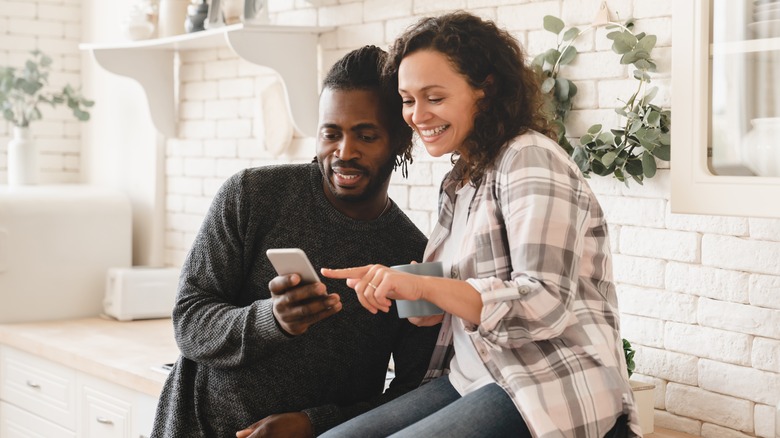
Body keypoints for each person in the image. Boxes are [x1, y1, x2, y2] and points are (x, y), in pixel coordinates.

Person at [322, 12, 641, 438]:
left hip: (544, 387)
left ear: (485, 90)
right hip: (470, 379)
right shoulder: (460, 180)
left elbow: (544, 304)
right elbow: (452, 305)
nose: (417, 115)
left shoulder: (529, 158)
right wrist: (406, 290)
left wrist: (425, 288)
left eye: (434, 98)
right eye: (407, 99)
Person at [150, 45, 440, 438]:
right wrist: (272, 320)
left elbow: (414, 393)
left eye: (366, 136)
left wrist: (312, 424)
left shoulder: (415, 259)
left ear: (401, 141)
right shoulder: (251, 195)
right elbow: (189, 321)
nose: (344, 152)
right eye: (331, 134)